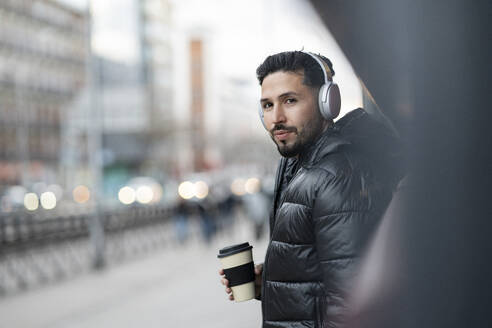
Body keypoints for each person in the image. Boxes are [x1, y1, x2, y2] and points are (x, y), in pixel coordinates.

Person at [219, 51, 403, 327]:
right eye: (267, 106)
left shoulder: (336, 178)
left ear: (327, 102)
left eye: (290, 101)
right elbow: (319, 282)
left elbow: (351, 306)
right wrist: (268, 284)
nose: (276, 117)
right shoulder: (299, 168)